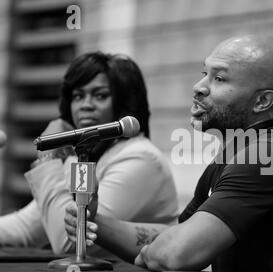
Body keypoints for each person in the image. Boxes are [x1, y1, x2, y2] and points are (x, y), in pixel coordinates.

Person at [65, 35, 273, 272]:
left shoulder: (266, 156)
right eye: (204, 73)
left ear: (262, 101)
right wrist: (95, 222)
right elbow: (179, 234)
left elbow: (177, 253)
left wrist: (163, 250)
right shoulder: (233, 155)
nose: (198, 87)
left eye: (219, 79)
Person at [0, 52, 179, 255]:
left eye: (100, 95)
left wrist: (47, 159)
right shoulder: (80, 156)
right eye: (78, 96)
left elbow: (71, 243)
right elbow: (26, 229)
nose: (85, 105)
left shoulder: (140, 158)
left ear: (123, 104)